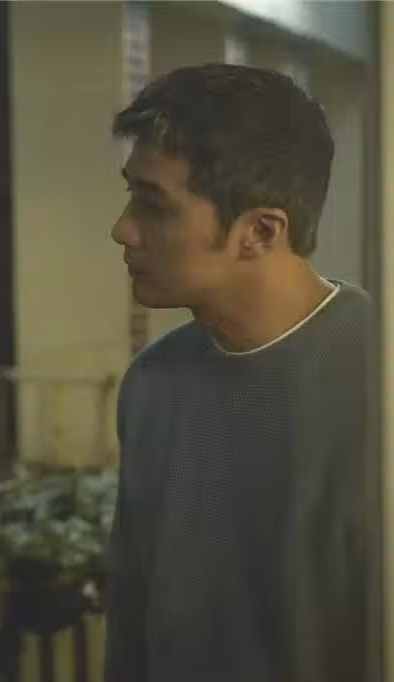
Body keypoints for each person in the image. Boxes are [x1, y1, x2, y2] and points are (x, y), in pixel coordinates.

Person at [104, 64, 380, 682]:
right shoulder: (152, 386)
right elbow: (131, 627)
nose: (122, 229)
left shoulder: (379, 377)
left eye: (153, 204)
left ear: (259, 231)